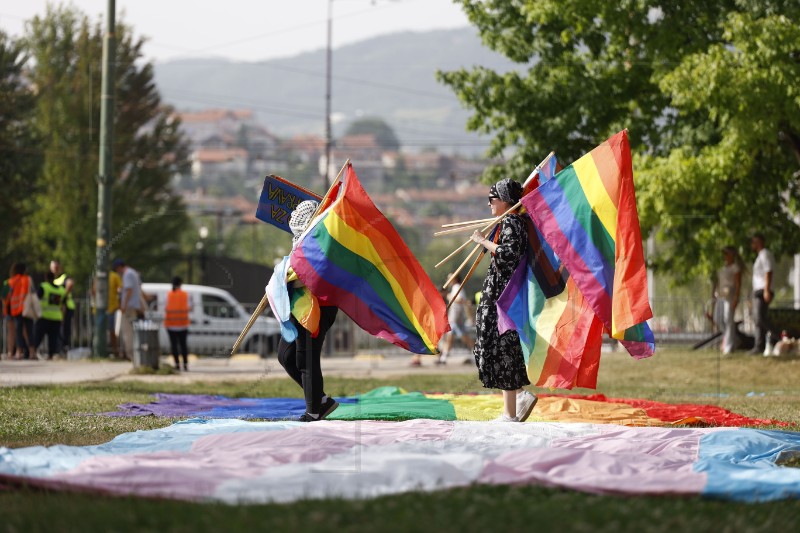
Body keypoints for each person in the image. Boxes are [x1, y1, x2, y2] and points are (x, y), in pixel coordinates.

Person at [470, 178, 537, 422]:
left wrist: (483, 241)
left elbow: (509, 254)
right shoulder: (511, 222)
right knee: (500, 345)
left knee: (499, 345)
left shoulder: (511, 221)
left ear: (504, 201)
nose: (488, 204)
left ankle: (513, 407)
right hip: (502, 292)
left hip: (502, 295)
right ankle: (516, 399)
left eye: (492, 199)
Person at [274, 200, 339, 422]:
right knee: (286, 356)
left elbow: (315, 273)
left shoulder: (325, 240)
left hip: (318, 307)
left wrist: (291, 279)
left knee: (306, 359)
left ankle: (313, 411)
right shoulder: (302, 241)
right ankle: (321, 400)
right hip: (298, 304)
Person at [438, 273, 475, 364]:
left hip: (457, 318)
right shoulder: (455, 288)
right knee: (450, 338)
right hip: (454, 318)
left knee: (464, 337)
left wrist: (449, 296)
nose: (448, 280)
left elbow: (460, 300)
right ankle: (443, 358)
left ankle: (477, 352)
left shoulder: (457, 287)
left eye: (449, 278)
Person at [712, 246, 743, 355]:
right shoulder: (722, 268)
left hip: (730, 296)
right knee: (718, 318)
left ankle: (729, 346)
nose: (724, 256)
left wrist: (736, 297)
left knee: (728, 320)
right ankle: (734, 339)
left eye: (726, 254)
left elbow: (738, 284)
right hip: (721, 296)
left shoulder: (735, 268)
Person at [749, 234, 775, 354]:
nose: (751, 244)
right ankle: (759, 346)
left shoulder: (764, 254)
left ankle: (777, 337)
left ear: (758, 242)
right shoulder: (760, 255)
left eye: (753, 242)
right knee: (758, 318)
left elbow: (768, 271)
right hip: (758, 290)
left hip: (763, 290)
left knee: (759, 318)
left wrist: (766, 290)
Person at [113, 258, 143, 361]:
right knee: (131, 331)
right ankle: (132, 354)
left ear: (119, 267)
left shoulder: (127, 274)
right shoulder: (133, 272)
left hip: (129, 307)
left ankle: (130, 354)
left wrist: (123, 306)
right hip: (133, 306)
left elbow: (129, 291)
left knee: (127, 332)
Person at [33, 271, 66, 359]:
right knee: (53, 339)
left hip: (44, 316)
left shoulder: (44, 287)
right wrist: (62, 317)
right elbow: (63, 306)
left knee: (37, 336)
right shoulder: (62, 290)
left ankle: (32, 353)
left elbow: (36, 300)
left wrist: (35, 313)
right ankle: (51, 355)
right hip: (56, 317)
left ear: (46, 278)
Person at [91, 268, 122, 357]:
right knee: (98, 331)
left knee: (111, 331)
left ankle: (115, 352)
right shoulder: (97, 276)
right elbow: (93, 291)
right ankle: (97, 351)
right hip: (98, 310)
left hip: (111, 309)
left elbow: (120, 290)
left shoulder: (114, 276)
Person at [7, 263, 34, 360]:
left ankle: (18, 352)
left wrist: (5, 310)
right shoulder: (28, 279)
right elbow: (32, 291)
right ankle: (32, 352)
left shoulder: (10, 281)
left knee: (18, 331)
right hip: (27, 309)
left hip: (15, 310)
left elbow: (4, 296)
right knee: (29, 331)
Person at [164, 276, 191, 371]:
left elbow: (165, 307)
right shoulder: (185, 294)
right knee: (183, 345)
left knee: (174, 346)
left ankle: (177, 364)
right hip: (183, 324)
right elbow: (190, 307)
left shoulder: (168, 294)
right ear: (181, 284)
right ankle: (185, 364)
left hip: (171, 325)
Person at [51, 260, 75, 355]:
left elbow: (70, 284)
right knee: (57, 329)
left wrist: (62, 297)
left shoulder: (64, 277)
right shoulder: (52, 280)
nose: (55, 269)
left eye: (56, 267)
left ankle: (65, 348)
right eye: (53, 267)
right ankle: (58, 349)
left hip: (66, 307)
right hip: (56, 310)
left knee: (65, 329)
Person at [2, 266, 17, 358]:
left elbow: (3, 297)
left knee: (11, 332)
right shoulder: (21, 281)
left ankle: (10, 352)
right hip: (18, 309)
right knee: (20, 331)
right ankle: (17, 351)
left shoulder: (7, 282)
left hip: (9, 309)